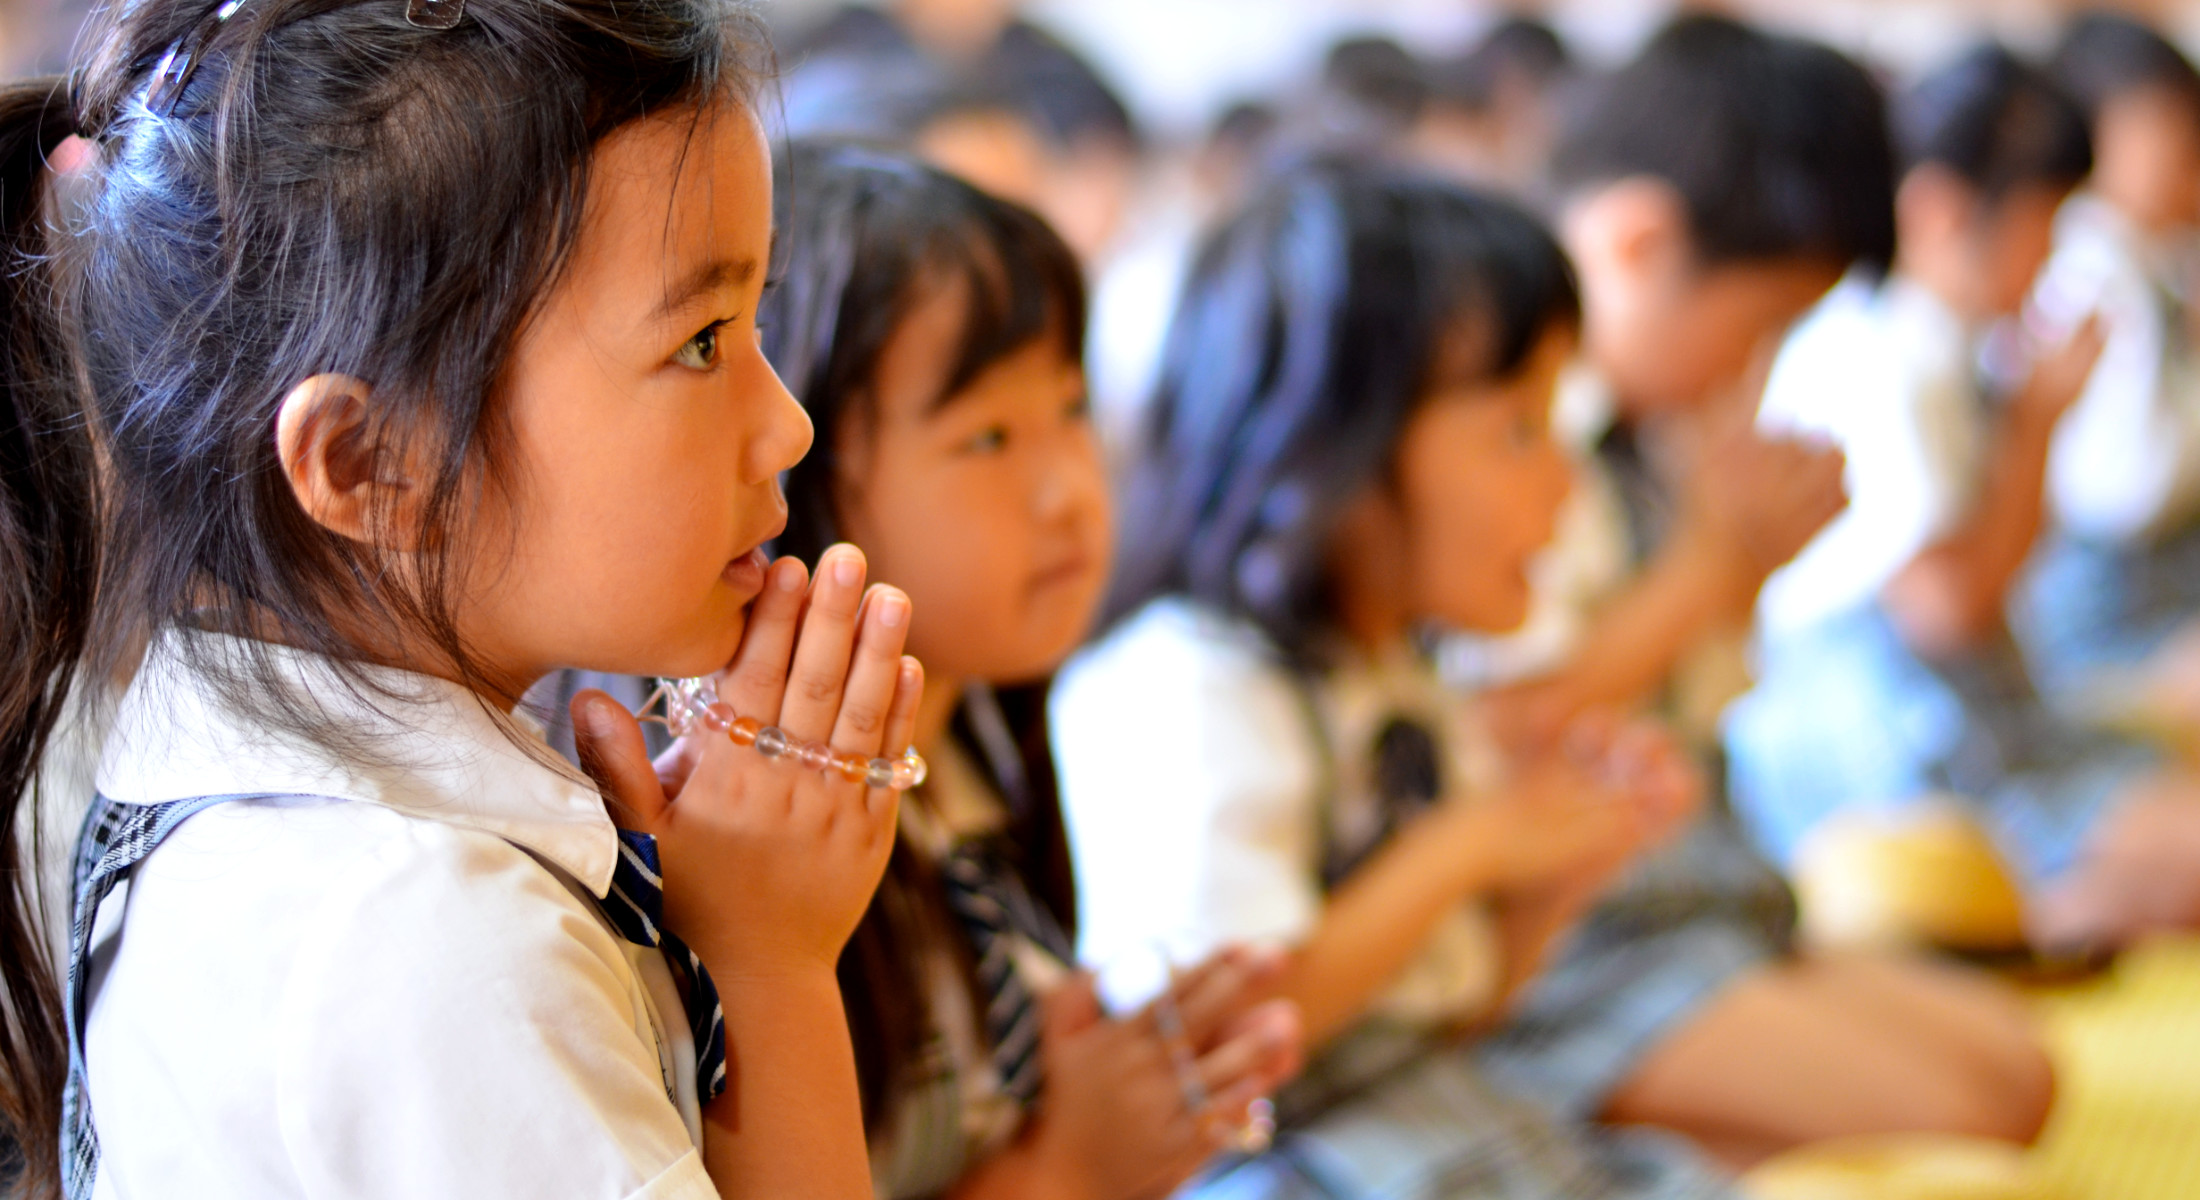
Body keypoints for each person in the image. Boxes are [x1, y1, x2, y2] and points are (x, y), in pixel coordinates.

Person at [0, 2, 924, 1196]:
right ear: (370, 463)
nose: (785, 422)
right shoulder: (422, 938)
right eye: (700, 340)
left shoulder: (247, 791)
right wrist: (772, 967)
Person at [1056, 158, 1747, 1199]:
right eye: (1516, 430)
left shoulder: (1395, 667)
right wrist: (1465, 848)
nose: (1563, 479)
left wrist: (1549, 888)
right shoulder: (1187, 682)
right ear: (1336, 452)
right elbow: (1211, 1031)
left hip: (1433, 1126)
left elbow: (1444, 1010)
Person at [1447, 18, 2056, 1167]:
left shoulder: (1644, 438)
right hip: (1572, 961)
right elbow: (1480, 731)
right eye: (1762, 325)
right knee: (1962, 1122)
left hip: (1705, 912)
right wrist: (1709, 573)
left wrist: (1732, 570)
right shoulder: (1499, 435)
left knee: (2014, 1076)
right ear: (1636, 244)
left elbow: (1695, 699)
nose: (1758, 368)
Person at [762, 140, 1302, 1199]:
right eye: (989, 436)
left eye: (1069, 411)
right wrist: (1062, 1169)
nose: (1068, 492)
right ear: (793, 466)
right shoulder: (757, 852)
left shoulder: (967, 764)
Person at [1731, 43, 2200, 954]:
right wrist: (2036, 427)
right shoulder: (1880, 353)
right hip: (1892, 754)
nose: (2048, 259)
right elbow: (1947, 606)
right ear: (1947, 209)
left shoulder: (1944, 343)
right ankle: (2031, 924)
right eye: (2042, 224)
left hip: (1975, 726)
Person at [2013, 13, 2200, 713]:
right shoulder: (2089, 264)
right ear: (2107, 132)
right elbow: (2131, 482)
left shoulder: (2149, 259)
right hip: (2105, 608)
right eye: (2181, 139)